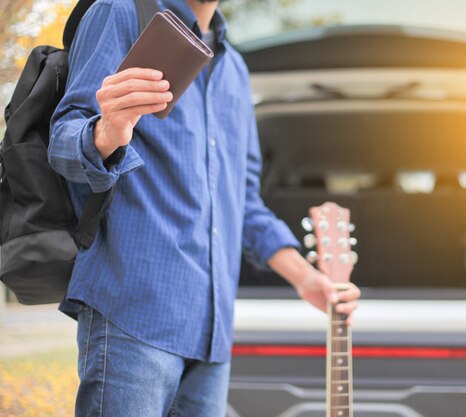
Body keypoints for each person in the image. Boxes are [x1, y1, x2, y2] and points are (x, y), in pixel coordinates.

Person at [48, 0, 361, 415]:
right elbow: (64, 140)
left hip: (211, 334)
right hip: (133, 314)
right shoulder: (121, 11)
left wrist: (307, 279)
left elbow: (244, 203)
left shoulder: (235, 69)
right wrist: (107, 131)